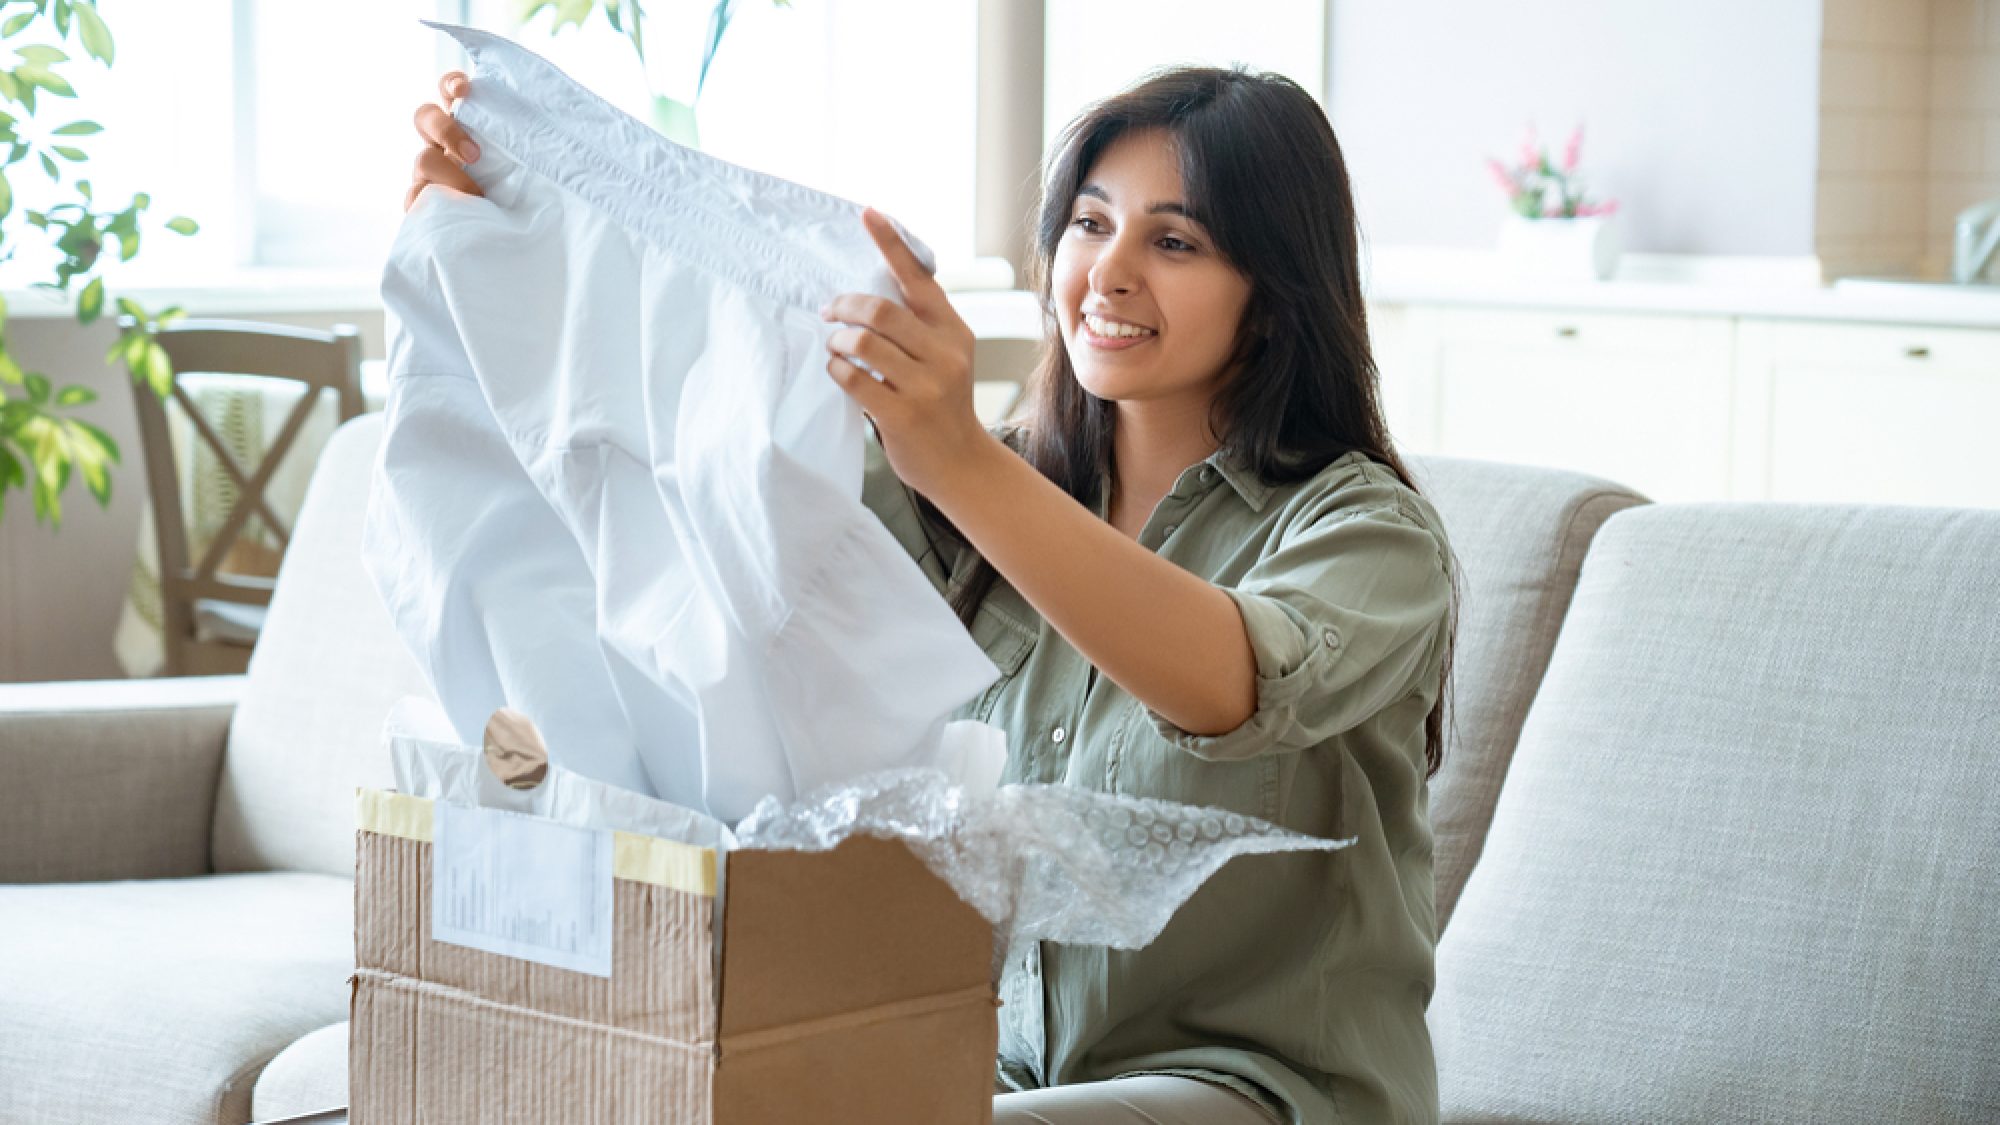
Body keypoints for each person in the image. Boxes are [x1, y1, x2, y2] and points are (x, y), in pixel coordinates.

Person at [409, 62, 1456, 1125]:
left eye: (1174, 241)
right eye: (1089, 225)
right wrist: (509, 236)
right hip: (985, 1079)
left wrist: (953, 457)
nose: (1109, 273)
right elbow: (685, 484)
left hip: (1264, 1092)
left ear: (1274, 296)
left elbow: (1227, 682)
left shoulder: (1366, 534)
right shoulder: (957, 501)